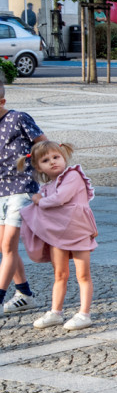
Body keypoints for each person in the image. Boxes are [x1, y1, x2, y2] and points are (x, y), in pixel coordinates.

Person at [18, 142, 97, 331]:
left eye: (56, 157)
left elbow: (60, 198)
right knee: (59, 274)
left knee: (83, 274)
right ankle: (56, 312)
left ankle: (84, 313)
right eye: (46, 160)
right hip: (58, 236)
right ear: (38, 167)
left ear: (63, 157)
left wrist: (39, 200)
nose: (52, 162)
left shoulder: (73, 176)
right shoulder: (46, 187)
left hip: (78, 232)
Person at [0, 79, 45, 317]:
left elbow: (44, 143)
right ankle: (24, 294)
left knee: (8, 245)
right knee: (4, 246)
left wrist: (44, 172)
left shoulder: (18, 118)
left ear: (2, 101)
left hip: (21, 187)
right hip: (0, 192)